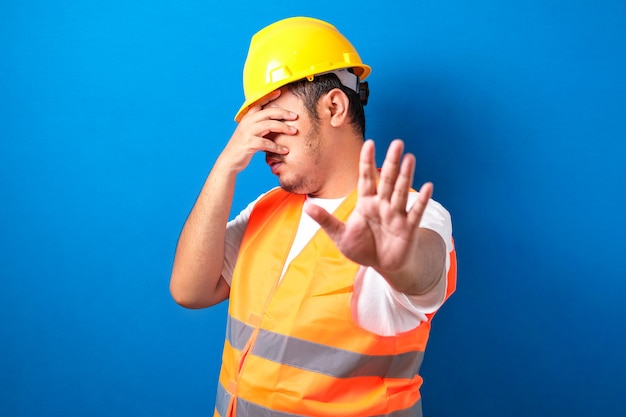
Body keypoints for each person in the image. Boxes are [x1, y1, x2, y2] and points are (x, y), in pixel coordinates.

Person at [170, 16, 457, 417]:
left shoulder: (410, 214)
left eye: (276, 120)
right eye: (256, 126)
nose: (264, 144)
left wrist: (398, 260)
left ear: (335, 107)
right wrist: (224, 168)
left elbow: (423, 271)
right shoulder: (267, 210)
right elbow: (190, 291)